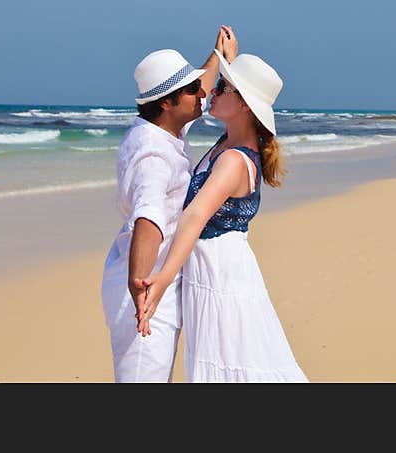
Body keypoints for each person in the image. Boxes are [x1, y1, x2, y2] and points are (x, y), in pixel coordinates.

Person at [135, 48, 308, 382]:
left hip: (220, 274)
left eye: (222, 88)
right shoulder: (227, 144)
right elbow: (180, 112)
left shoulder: (232, 160)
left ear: (243, 104)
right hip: (215, 270)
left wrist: (163, 279)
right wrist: (221, 56)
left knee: (231, 363)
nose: (210, 91)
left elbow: (195, 215)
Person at [101, 27, 238, 383]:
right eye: (192, 90)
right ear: (166, 102)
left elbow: (201, 87)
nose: (202, 94)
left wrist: (218, 56)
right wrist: (143, 290)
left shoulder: (164, 129)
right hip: (145, 287)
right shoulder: (152, 153)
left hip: (154, 278)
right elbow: (148, 219)